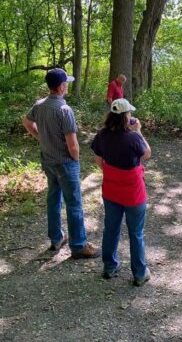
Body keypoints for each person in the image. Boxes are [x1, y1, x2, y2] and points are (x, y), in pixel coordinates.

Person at [22, 68, 98, 259]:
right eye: (66, 84)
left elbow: (26, 122)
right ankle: (79, 245)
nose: (67, 87)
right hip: (65, 162)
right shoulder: (64, 110)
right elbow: (73, 145)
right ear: (61, 87)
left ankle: (56, 239)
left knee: (54, 198)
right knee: (74, 203)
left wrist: (40, 137)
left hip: (48, 160)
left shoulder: (39, 105)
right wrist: (76, 159)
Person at [91, 99, 151, 286]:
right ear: (126, 116)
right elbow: (147, 154)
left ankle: (109, 266)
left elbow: (99, 162)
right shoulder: (133, 137)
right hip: (133, 194)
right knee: (136, 233)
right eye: (129, 114)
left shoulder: (101, 135)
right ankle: (139, 273)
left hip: (111, 190)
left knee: (111, 229)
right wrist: (139, 131)